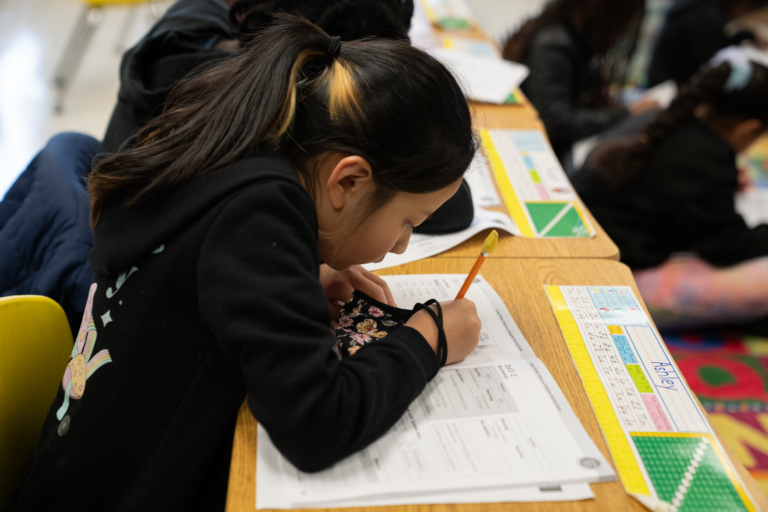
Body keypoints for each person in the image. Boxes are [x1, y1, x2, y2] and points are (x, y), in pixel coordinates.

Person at [11, 16, 481, 511]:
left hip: (86, 471)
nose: (404, 245)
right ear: (348, 182)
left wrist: (298, 275)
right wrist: (430, 338)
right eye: (409, 221)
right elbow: (317, 423)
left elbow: (202, 273)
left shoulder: (246, 141)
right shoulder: (261, 215)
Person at [572, 47, 768, 331]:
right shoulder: (707, 160)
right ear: (748, 131)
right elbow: (727, 247)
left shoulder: (667, 121)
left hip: (583, 235)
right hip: (605, 276)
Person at [501, 0, 655, 166]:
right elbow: (557, 122)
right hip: (533, 150)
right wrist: (625, 113)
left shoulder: (573, 36)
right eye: (624, 21)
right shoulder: (554, 46)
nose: (624, 32)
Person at [647, 0, 768, 88]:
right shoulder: (707, 18)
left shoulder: (702, 8)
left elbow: (720, 38)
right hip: (668, 93)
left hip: (662, 83)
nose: (742, 16)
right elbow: (702, 71)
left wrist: (749, 36)